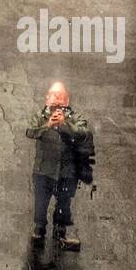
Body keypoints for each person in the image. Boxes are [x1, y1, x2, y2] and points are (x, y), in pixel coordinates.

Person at [25, 80, 94, 250]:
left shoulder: (75, 118)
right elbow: (30, 131)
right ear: (47, 99)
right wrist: (48, 125)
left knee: (64, 203)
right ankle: (39, 230)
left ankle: (60, 232)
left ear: (67, 100)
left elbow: (84, 134)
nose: (56, 100)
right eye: (53, 95)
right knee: (41, 202)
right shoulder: (40, 116)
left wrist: (64, 124)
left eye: (60, 96)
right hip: (43, 170)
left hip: (66, 172)